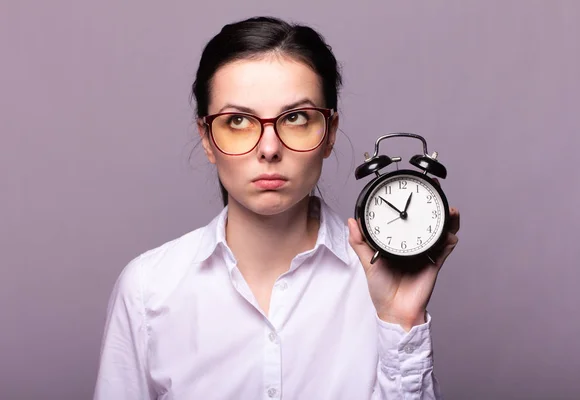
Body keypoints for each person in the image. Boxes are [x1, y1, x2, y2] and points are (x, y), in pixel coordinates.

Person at [93, 16, 460, 400]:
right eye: (237, 120)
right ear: (206, 137)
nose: (269, 148)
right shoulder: (148, 289)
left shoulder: (378, 283)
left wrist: (401, 322)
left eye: (296, 118)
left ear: (330, 132)